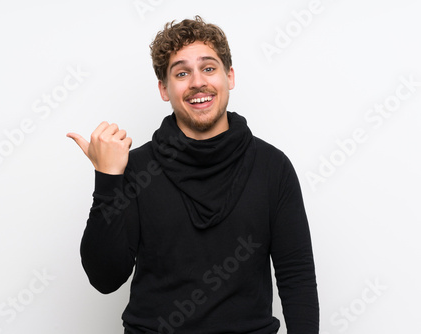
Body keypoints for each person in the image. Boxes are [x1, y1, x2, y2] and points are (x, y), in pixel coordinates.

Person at [67, 16, 319, 334]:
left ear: (230, 76)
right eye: (182, 72)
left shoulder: (272, 167)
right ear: (164, 88)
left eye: (209, 68)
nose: (197, 82)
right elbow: (105, 278)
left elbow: (296, 277)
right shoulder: (136, 170)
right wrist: (107, 178)